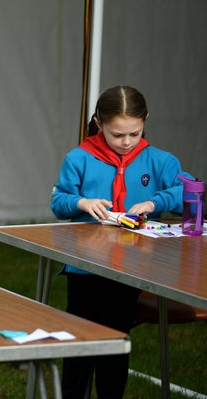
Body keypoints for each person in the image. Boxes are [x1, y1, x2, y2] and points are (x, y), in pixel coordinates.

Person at [51, 85, 189, 398]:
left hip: (133, 266)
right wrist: (81, 204)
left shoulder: (160, 160)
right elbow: (59, 200)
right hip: (85, 267)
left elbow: (190, 192)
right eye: (117, 135)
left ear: (145, 122)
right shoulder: (79, 158)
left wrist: (155, 202)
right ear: (99, 124)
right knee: (81, 341)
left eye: (134, 134)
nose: (126, 142)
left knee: (115, 340)